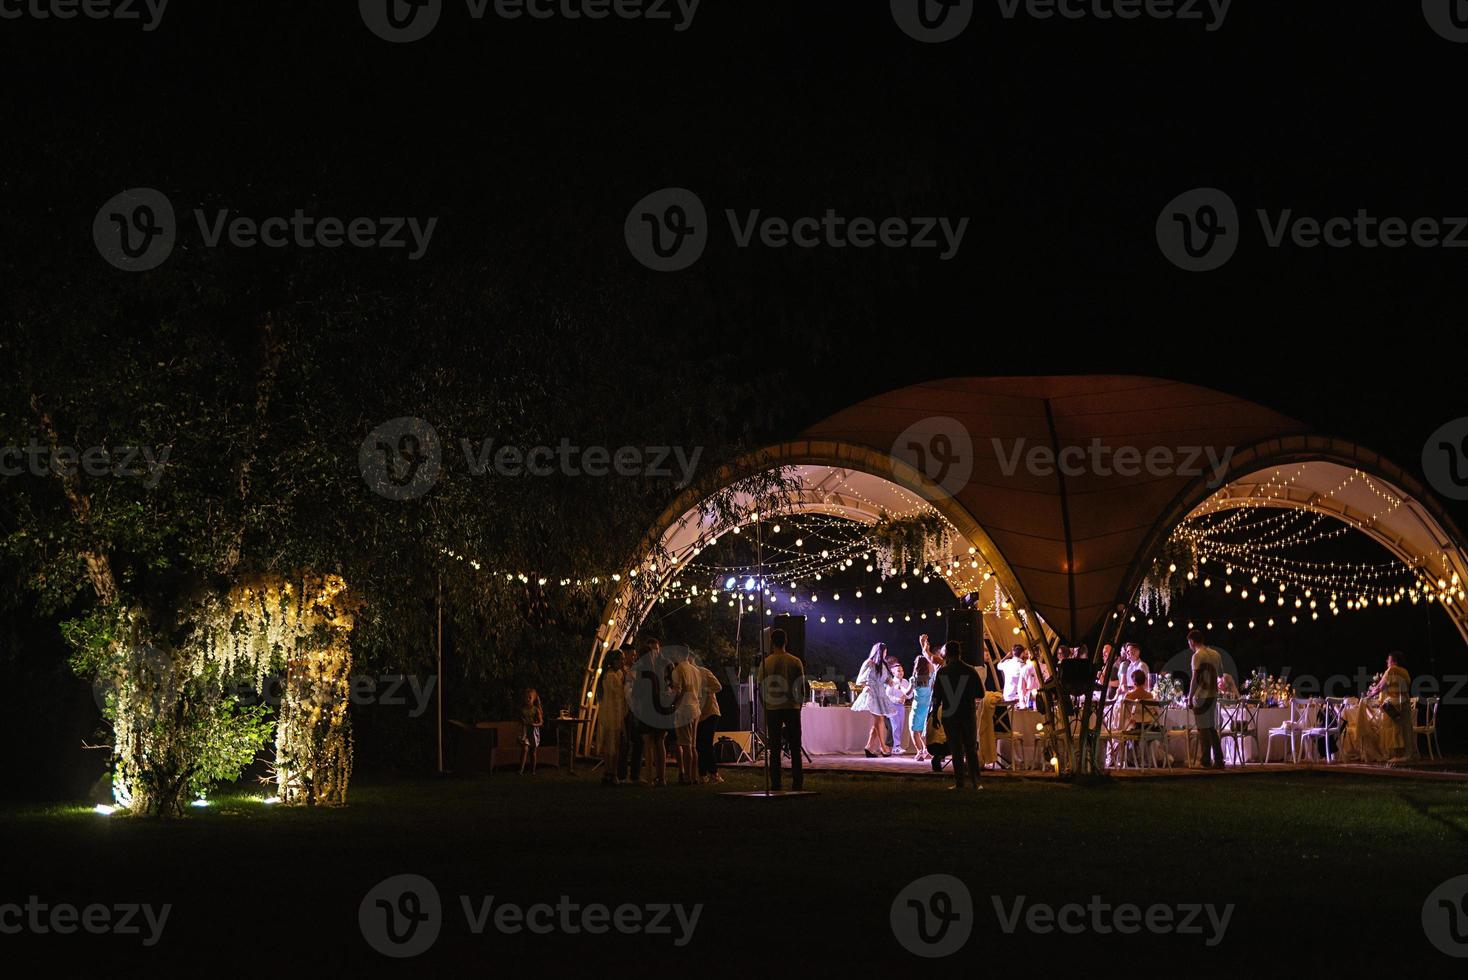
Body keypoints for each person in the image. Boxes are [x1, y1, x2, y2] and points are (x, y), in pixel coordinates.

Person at [759, 628, 806, 791]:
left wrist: (765, 705)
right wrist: (799, 706)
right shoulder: (795, 661)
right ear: (786, 641)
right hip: (791, 707)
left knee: (774, 747)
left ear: (772, 642)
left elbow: (760, 687)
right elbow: (800, 687)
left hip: (772, 708)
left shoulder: (766, 662)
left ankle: (776, 783)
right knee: (795, 746)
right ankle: (797, 782)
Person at [933, 640, 982, 790]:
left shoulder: (942, 672)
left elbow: (937, 697)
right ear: (960, 653)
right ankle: (976, 782)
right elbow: (981, 693)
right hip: (967, 713)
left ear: (946, 654)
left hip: (950, 715)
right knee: (971, 749)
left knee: (956, 750)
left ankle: (959, 782)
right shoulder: (970, 670)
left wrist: (934, 715)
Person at [628, 636, 673, 786]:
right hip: (660, 708)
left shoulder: (642, 672)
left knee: (648, 743)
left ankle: (648, 778)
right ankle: (662, 778)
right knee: (660, 742)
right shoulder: (660, 669)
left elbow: (636, 695)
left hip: (647, 710)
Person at [1188, 629, 1225, 770]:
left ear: (1192, 642)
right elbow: (1221, 674)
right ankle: (1219, 759)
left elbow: (1194, 679)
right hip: (1213, 694)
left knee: (1203, 728)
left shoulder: (1197, 656)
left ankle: (1205, 761)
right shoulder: (1216, 654)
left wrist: (1190, 696)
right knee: (1211, 727)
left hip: (1201, 695)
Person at [1367, 653, 1414, 760]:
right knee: (1405, 728)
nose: (1387, 661)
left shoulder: (1391, 670)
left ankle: (1395, 754)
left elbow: (1380, 687)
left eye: (1388, 659)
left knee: (1390, 729)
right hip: (1405, 703)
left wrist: (1368, 696)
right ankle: (1407, 753)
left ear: (1394, 661)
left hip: (1393, 705)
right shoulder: (1405, 672)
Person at [851, 643, 893, 757]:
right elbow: (860, 679)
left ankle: (869, 747)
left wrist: (889, 681)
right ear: (879, 652)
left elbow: (886, 678)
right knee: (880, 720)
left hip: (881, 694)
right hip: (872, 694)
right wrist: (866, 686)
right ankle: (883, 747)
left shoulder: (883, 665)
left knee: (878, 721)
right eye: (884, 652)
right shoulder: (869, 663)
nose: (886, 654)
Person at [669, 646, 701, 785]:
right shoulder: (695, 670)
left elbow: (678, 690)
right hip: (695, 708)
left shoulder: (678, 670)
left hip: (684, 709)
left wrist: (672, 703)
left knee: (686, 745)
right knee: (693, 746)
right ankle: (694, 776)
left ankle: (687, 776)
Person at [596, 650, 628, 785]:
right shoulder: (611, 677)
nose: (623, 662)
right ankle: (611, 773)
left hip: (612, 713)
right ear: (614, 661)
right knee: (613, 745)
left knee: (612, 744)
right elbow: (622, 693)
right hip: (612, 714)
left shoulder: (614, 674)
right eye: (621, 659)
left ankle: (608, 773)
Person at [695, 656, 724, 783]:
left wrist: (704, 690)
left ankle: (713, 773)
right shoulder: (688, 674)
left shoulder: (704, 672)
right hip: (699, 714)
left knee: (705, 743)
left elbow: (718, 686)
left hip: (711, 712)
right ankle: (702, 774)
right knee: (699, 745)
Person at [617, 644, 641, 782]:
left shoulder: (635, 670)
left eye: (634, 655)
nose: (634, 657)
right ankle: (622, 774)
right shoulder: (620, 671)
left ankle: (635, 774)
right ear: (625, 654)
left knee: (638, 741)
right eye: (632, 655)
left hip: (635, 709)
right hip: (625, 709)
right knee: (624, 742)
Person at [911, 639, 936, 763]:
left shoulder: (914, 679)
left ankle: (919, 751)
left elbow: (908, 694)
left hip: (917, 706)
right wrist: (925, 647)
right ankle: (927, 750)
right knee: (925, 730)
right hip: (928, 705)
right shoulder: (931, 676)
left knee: (915, 730)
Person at [886, 664, 913, 754]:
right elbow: (888, 695)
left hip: (901, 707)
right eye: (898, 671)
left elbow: (910, 694)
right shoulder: (891, 682)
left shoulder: (905, 681)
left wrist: (905, 697)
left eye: (902, 670)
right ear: (893, 672)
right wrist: (898, 699)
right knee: (895, 726)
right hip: (892, 706)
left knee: (900, 726)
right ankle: (895, 746)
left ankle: (897, 746)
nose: (901, 672)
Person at [518, 687, 544, 775]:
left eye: (530, 697)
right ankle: (521, 770)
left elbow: (541, 722)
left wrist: (535, 724)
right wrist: (522, 721)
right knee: (524, 749)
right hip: (525, 732)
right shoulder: (523, 709)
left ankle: (533, 770)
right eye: (526, 697)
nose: (528, 699)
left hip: (533, 732)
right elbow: (521, 720)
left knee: (532, 752)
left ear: (534, 698)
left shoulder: (536, 710)